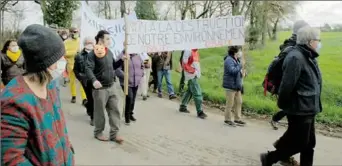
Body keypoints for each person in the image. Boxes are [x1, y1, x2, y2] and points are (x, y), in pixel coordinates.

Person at [1, 24, 74, 165]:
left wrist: (68, 150)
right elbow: (11, 159)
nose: (62, 62)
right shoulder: (15, 101)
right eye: (59, 58)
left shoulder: (50, 85)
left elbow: (58, 125)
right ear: (46, 62)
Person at [260, 26, 322, 166]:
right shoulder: (295, 58)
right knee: (300, 143)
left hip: (309, 107)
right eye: (318, 40)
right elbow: (287, 86)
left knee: (309, 143)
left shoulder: (309, 55)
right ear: (310, 41)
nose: (319, 43)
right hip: (299, 108)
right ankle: (270, 158)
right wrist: (283, 105)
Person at [270, 20, 310, 130]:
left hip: (293, 82)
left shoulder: (295, 45)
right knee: (292, 106)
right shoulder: (292, 48)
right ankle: (277, 120)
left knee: (292, 106)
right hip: (288, 83)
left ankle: (278, 120)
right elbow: (285, 70)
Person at [85, 30, 124, 143]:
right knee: (99, 112)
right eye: (107, 39)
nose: (109, 41)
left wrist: (121, 61)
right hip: (100, 89)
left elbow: (113, 66)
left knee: (115, 110)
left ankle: (114, 134)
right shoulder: (93, 54)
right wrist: (94, 80)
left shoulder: (109, 52)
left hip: (112, 86)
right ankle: (98, 132)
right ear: (101, 40)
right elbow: (88, 69)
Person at [116, 51, 144, 125]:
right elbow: (117, 69)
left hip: (136, 81)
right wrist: (125, 76)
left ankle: (131, 113)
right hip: (125, 82)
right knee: (129, 97)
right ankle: (127, 116)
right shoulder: (121, 56)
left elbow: (142, 65)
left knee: (133, 98)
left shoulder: (137, 55)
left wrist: (141, 73)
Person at [179, 49, 207, 119]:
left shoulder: (195, 51)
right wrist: (193, 72)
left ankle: (183, 106)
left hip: (194, 74)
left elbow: (195, 63)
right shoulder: (188, 50)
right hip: (191, 75)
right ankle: (200, 111)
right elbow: (184, 63)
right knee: (197, 92)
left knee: (189, 91)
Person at [222, 46, 246, 127]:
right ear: (235, 52)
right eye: (239, 51)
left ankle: (237, 118)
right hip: (230, 85)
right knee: (230, 103)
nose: (240, 53)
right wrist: (240, 65)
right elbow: (232, 71)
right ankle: (227, 119)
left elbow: (238, 71)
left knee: (239, 102)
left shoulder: (236, 59)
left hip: (237, 85)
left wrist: (243, 73)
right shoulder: (228, 60)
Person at [74, 36, 95, 125]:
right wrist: (81, 79)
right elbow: (76, 70)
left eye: (91, 42)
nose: (89, 44)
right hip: (85, 81)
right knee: (90, 98)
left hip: (95, 80)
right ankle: (93, 117)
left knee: (95, 98)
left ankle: (89, 107)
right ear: (84, 44)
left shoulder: (97, 54)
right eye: (88, 43)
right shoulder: (79, 56)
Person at [64, 27, 87, 105]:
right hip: (71, 66)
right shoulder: (66, 42)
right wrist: (74, 53)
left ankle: (84, 98)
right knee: (72, 82)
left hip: (80, 65)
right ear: (70, 33)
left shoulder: (80, 41)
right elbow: (64, 53)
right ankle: (73, 96)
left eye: (77, 31)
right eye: (74, 32)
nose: (76, 33)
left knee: (82, 81)